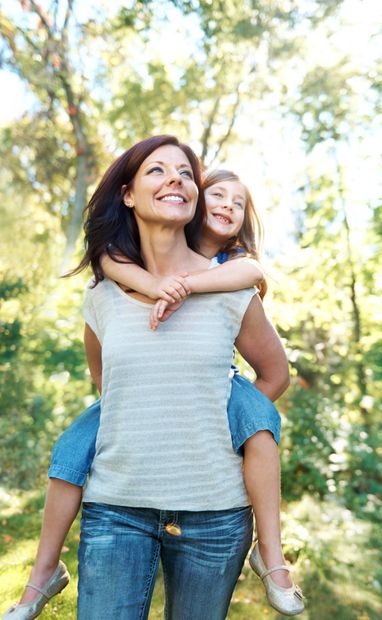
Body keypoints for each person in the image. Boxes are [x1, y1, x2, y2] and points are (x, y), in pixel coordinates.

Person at [2, 139, 303, 619]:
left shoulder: (233, 285)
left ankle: (272, 558)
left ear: (194, 197)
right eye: (157, 170)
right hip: (115, 508)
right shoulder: (103, 292)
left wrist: (224, 425)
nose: (175, 180)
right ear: (128, 194)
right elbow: (106, 384)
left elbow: (274, 374)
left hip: (215, 516)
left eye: (185, 173)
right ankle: (44, 571)